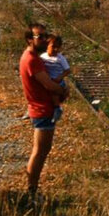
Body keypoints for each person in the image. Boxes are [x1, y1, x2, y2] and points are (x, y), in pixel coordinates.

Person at [19, 23, 67, 198]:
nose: (45, 39)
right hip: (41, 110)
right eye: (41, 36)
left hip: (41, 108)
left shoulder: (31, 57)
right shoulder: (32, 60)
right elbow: (48, 84)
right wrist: (63, 91)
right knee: (39, 151)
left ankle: (32, 189)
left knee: (41, 150)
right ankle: (31, 191)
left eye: (46, 36)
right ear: (29, 39)